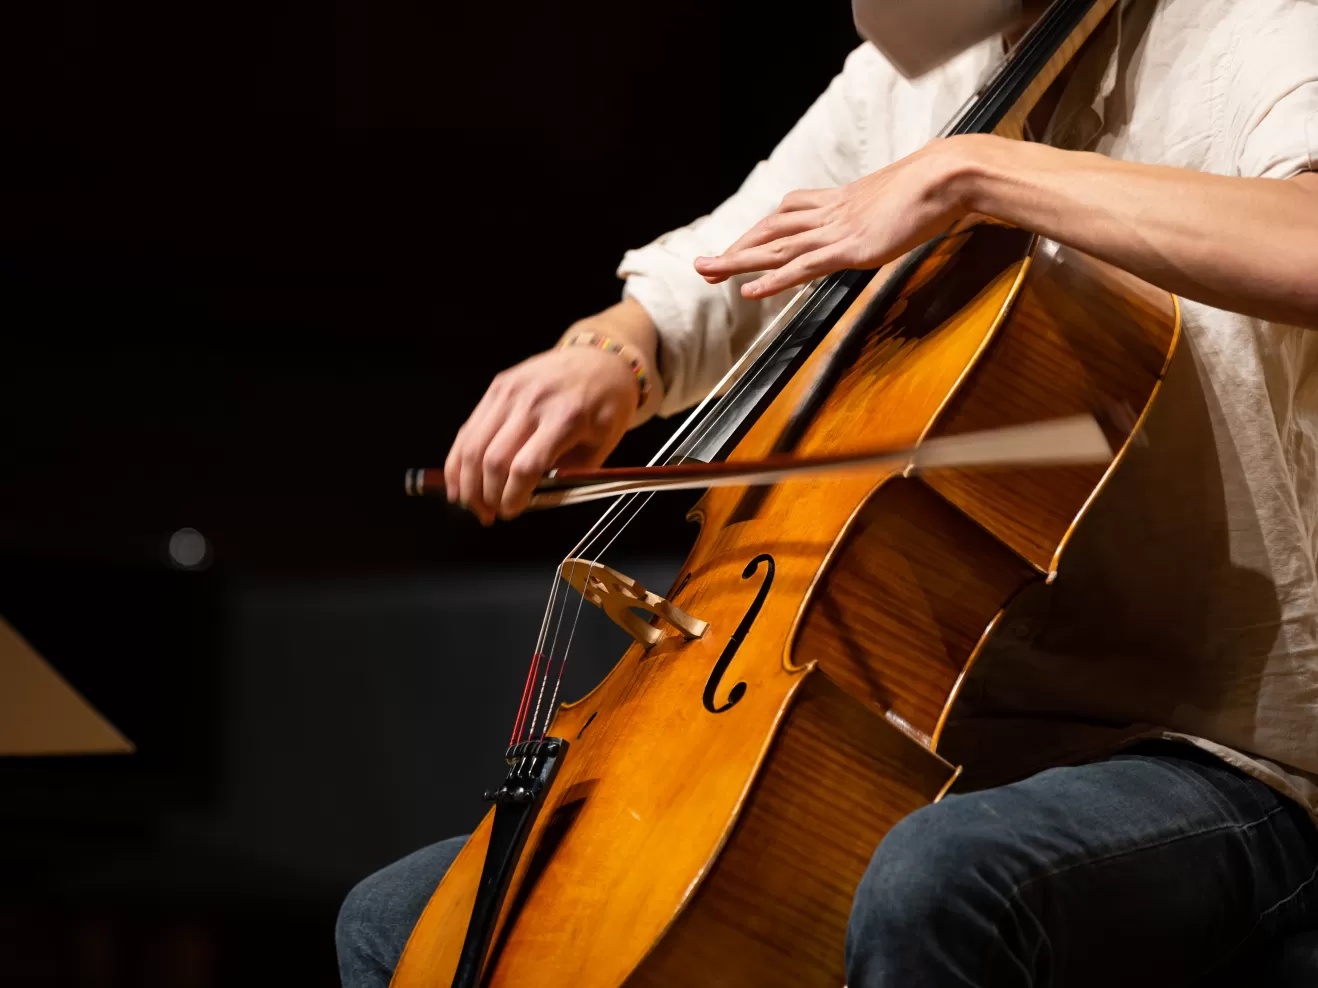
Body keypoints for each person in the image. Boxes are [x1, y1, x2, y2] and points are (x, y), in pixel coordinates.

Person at [337, 0, 1318, 985]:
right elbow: (720, 272)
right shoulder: (927, 63)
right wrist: (614, 351)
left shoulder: (1254, 22)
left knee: (938, 879)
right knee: (398, 924)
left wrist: (975, 170)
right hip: (939, 733)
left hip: (1219, 748)